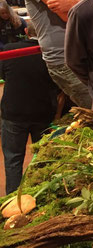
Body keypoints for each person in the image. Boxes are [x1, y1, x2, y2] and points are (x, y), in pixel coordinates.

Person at [1, 21, 59, 194]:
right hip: (43, 112)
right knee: (43, 158)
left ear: (26, 32)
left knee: (13, 159)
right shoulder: (51, 53)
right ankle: (40, 195)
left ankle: (12, 201)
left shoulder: (10, 49)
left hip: (13, 112)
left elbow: (3, 74)